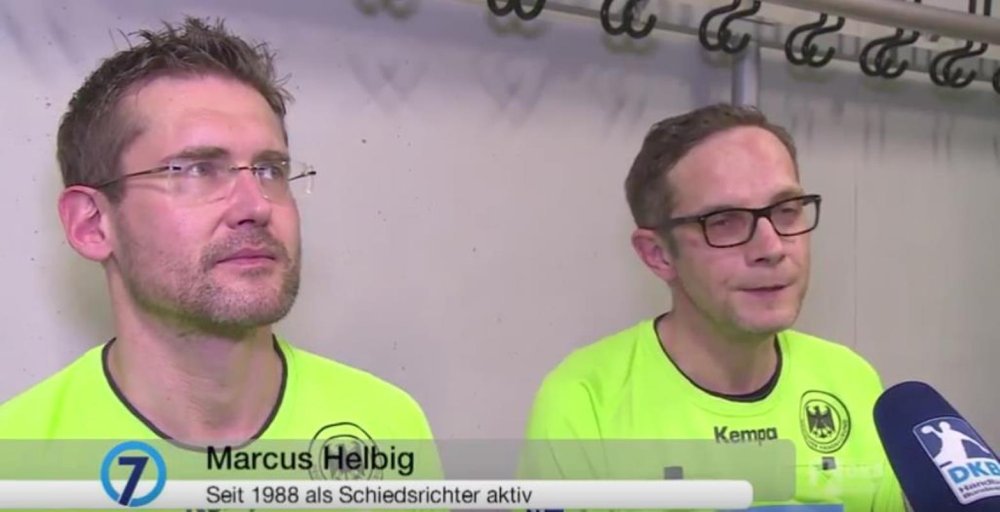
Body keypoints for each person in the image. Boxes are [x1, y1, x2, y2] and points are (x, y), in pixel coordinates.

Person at [0, 16, 435, 460]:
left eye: (270, 170)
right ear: (91, 224)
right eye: (197, 170)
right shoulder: (17, 459)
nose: (255, 206)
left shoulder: (385, 425)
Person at [523, 104, 907, 510]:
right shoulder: (586, 402)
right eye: (724, 221)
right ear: (658, 254)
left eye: (786, 211)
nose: (772, 247)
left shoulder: (851, 381)